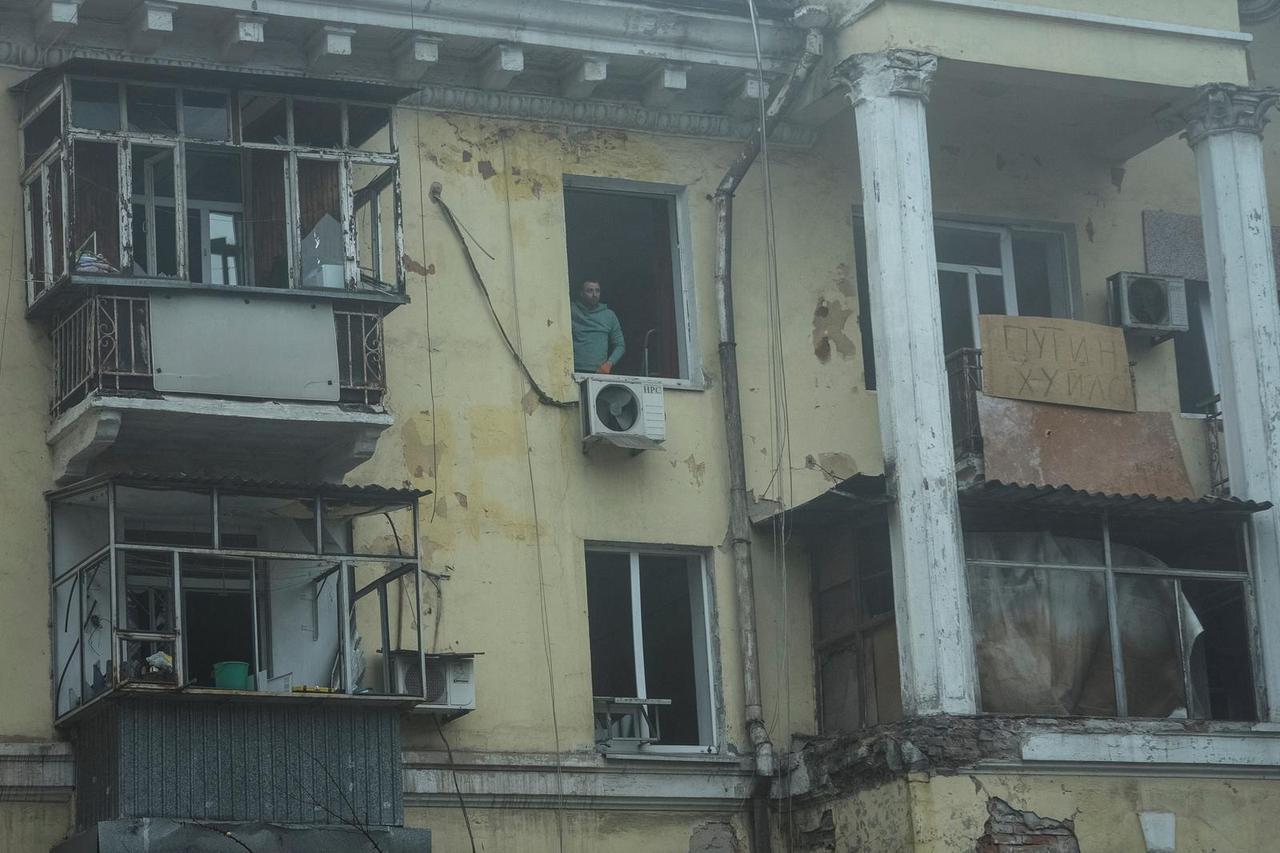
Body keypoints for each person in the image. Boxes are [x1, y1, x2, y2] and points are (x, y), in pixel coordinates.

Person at [571, 280, 625, 374]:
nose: (594, 294)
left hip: (599, 371)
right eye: (590, 291)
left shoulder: (609, 315)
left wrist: (609, 364)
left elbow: (620, 345)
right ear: (581, 293)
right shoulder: (571, 310)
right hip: (573, 370)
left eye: (597, 290)